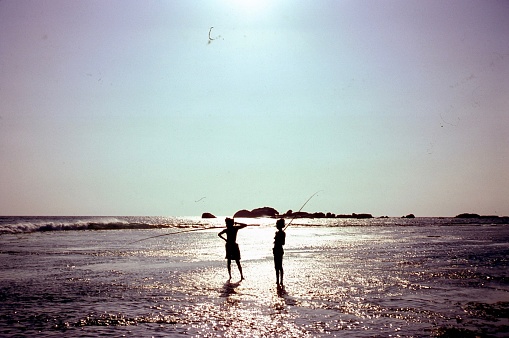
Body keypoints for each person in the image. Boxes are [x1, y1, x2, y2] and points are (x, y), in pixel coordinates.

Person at [273, 218, 286, 285]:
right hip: (275, 250)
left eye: (277, 224)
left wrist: (278, 238)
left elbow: (283, 243)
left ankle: (281, 280)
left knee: (280, 266)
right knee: (276, 266)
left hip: (279, 250)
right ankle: (277, 280)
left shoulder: (282, 233)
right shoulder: (277, 233)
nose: (276, 225)